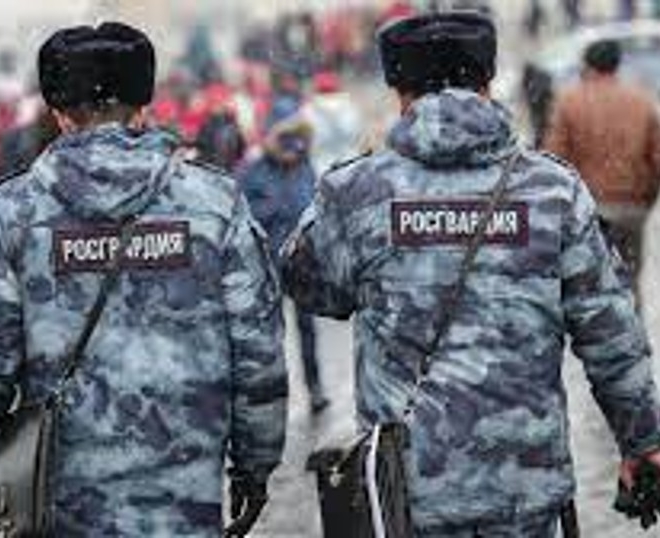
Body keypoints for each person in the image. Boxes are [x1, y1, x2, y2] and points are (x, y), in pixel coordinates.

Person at [283, 12, 660, 535]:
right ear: (488, 82)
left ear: (400, 92)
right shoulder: (552, 190)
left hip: (407, 493)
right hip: (526, 489)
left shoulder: (357, 191)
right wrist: (642, 442)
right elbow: (611, 334)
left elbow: (310, 286)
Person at [0, 23, 287, 536]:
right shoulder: (215, 204)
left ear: (60, 115)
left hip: (64, 508)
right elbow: (258, 352)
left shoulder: (9, 214)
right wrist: (255, 466)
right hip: (184, 505)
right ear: (142, 109)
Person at [544, 40, 660, 297]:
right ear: (617, 65)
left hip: (587, 211)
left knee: (588, 286)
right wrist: (645, 199)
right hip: (631, 208)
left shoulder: (570, 101)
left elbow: (554, 159)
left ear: (587, 66)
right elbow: (656, 159)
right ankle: (631, 319)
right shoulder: (640, 101)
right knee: (629, 281)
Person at [239, 101, 329, 414]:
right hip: (267, 266)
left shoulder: (306, 167)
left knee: (308, 329)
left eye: (297, 138)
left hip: (301, 264)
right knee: (269, 336)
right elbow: (244, 216)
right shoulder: (253, 172)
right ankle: (272, 398)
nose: (293, 146)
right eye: (285, 137)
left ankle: (315, 387)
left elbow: (317, 208)